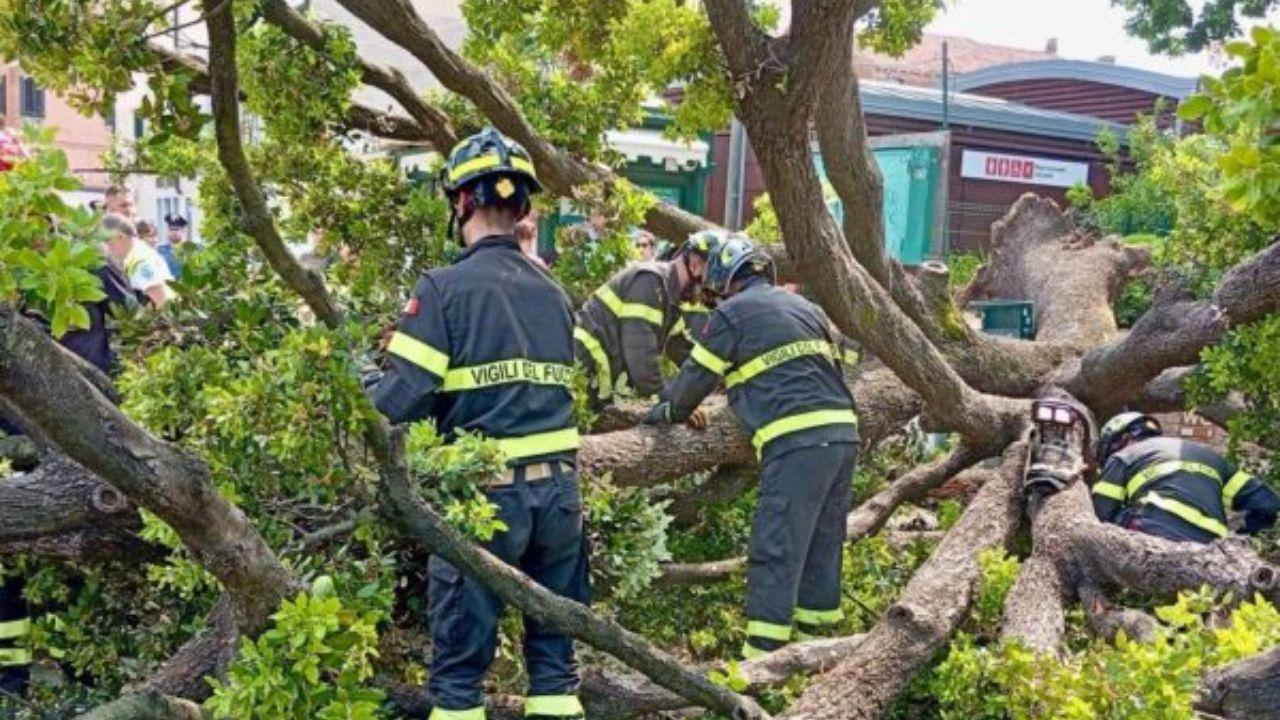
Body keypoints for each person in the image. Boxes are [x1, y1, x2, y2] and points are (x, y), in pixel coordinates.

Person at [371, 127, 587, 720]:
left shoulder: (443, 288)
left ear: (461, 201)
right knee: (555, 663)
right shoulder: (554, 292)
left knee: (460, 675)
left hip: (485, 502)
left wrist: (356, 392)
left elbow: (403, 396)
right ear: (521, 206)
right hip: (561, 499)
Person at [644, 237, 859, 659]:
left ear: (726, 277)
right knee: (822, 546)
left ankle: (764, 663)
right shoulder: (806, 310)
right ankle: (820, 657)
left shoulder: (732, 313)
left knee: (776, 546)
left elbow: (694, 380)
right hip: (844, 434)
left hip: (796, 441)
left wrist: (663, 411)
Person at [573, 230, 715, 406]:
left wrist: (717, 378)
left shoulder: (669, 297)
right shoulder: (650, 282)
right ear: (695, 265)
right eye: (711, 280)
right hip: (585, 367)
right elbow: (640, 354)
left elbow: (680, 349)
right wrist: (671, 403)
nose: (709, 292)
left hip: (600, 372)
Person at [1091, 413, 1280, 543]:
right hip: (1211, 547)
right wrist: (1247, 538)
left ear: (1121, 440)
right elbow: (1267, 503)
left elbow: (1101, 516)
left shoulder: (1124, 457)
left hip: (1152, 533)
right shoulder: (1212, 457)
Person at [661, 230, 724, 368]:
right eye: (709, 277)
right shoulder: (658, 291)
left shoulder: (671, 301)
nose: (709, 290)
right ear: (694, 266)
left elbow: (677, 346)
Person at [100, 213, 175, 309]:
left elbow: (163, 302)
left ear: (120, 237)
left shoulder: (140, 262)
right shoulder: (136, 253)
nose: (106, 248)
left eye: (107, 241)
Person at [159, 214, 188, 278]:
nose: (174, 232)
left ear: (183, 230)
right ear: (167, 230)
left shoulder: (189, 250)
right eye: (171, 229)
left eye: (177, 229)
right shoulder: (160, 251)